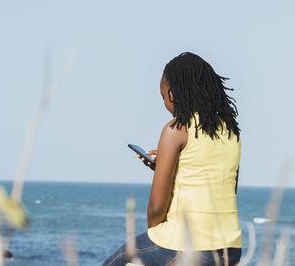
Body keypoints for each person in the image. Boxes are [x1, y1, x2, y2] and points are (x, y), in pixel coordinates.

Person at [103, 52, 242, 266]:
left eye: (163, 97)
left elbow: (157, 207)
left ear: (174, 94)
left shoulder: (175, 129)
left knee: (118, 260)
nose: (165, 105)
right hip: (229, 249)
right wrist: (167, 168)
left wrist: (156, 236)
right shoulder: (231, 132)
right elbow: (222, 187)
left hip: (186, 246)